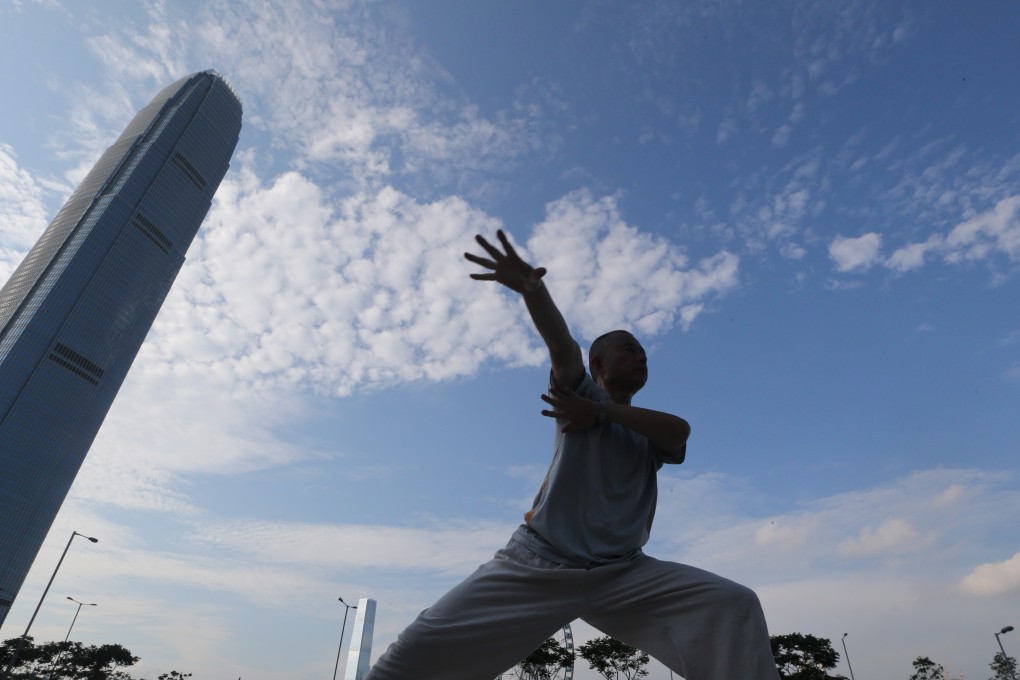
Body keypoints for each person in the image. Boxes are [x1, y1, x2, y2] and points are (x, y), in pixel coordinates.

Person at [363, 230, 780, 680]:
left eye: (644, 352)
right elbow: (563, 346)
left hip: (624, 575)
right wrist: (533, 290)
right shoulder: (574, 394)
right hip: (538, 564)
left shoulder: (635, 427)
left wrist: (600, 414)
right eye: (628, 349)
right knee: (413, 654)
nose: (641, 357)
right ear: (600, 367)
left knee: (733, 604)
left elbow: (680, 430)